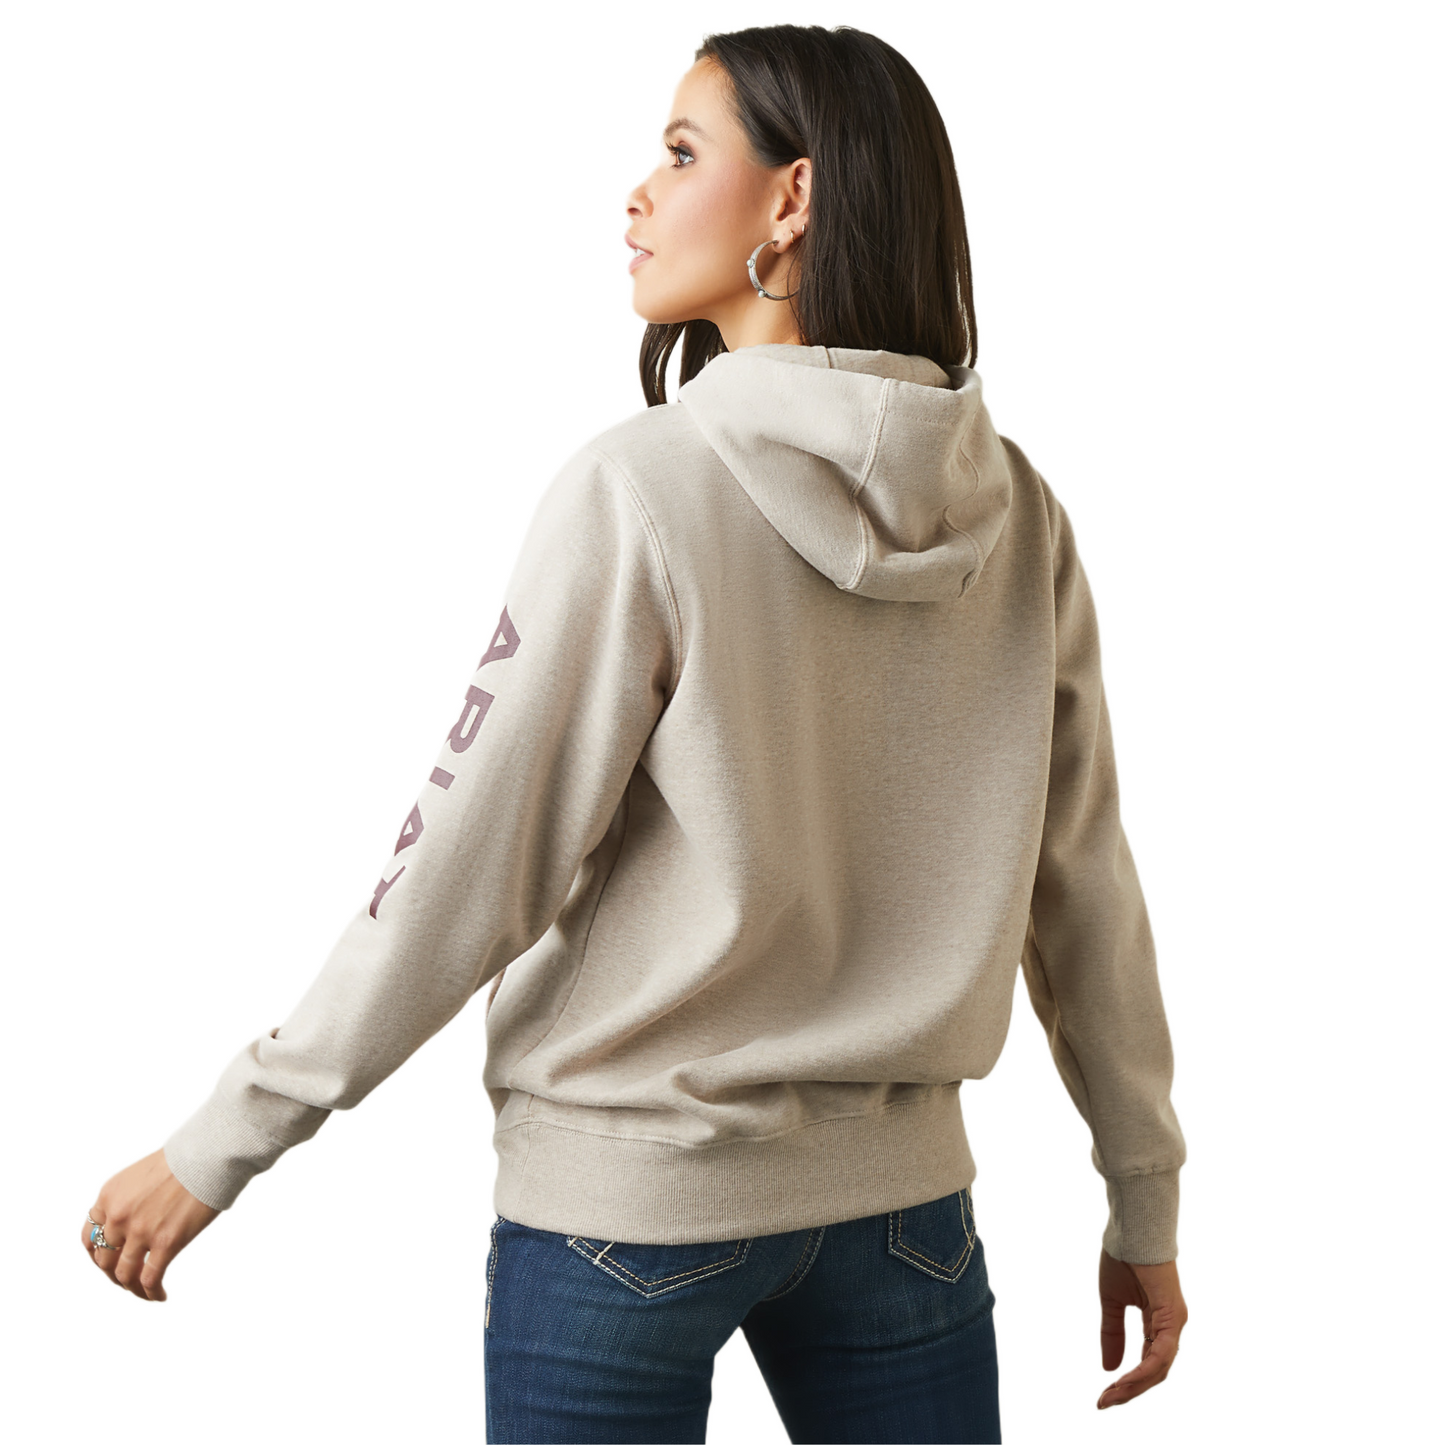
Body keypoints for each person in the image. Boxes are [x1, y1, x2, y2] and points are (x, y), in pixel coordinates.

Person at [82, 23, 1188, 1443]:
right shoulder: (1019, 512)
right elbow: (1082, 881)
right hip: (906, 1215)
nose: (637, 193)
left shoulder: (642, 490)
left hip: (628, 1212)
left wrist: (225, 1140)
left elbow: (469, 862)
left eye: (679, 152)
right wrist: (1143, 1193)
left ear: (791, 200)